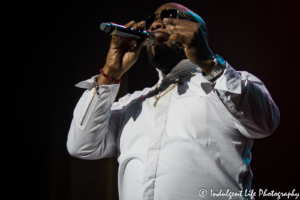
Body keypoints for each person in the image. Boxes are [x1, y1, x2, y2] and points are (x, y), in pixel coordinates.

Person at [67, 3, 280, 200]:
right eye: (153, 20)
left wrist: (208, 61)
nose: (156, 24)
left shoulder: (230, 83)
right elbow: (82, 145)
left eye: (170, 16)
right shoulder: (130, 104)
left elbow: (265, 123)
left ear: (199, 33)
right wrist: (112, 71)